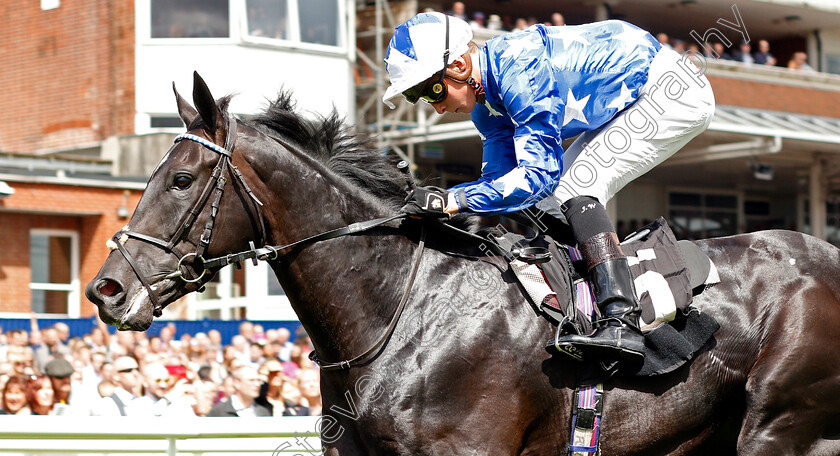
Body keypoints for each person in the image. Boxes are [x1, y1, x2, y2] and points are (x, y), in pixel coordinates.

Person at [383, 13, 715, 365]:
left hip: (670, 90)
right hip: (635, 96)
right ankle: (586, 297)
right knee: (552, 199)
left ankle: (622, 320)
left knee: (575, 185)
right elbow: (502, 187)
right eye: (417, 97)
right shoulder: (487, 108)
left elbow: (536, 175)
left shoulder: (519, 71)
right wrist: (443, 206)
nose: (435, 106)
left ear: (461, 65)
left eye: (433, 89)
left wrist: (453, 199)